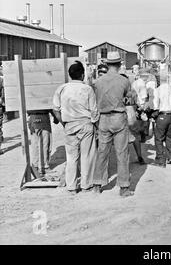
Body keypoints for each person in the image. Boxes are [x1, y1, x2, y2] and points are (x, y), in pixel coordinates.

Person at [53, 61, 99, 194]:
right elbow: (94, 111)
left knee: (71, 157)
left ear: (70, 75)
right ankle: (86, 185)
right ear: (83, 75)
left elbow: (56, 110)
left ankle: (72, 187)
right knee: (86, 156)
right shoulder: (87, 89)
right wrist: (96, 125)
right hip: (85, 125)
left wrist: (64, 123)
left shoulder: (62, 89)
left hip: (69, 125)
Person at [93, 51, 133, 197]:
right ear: (120, 64)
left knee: (102, 152)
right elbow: (129, 99)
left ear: (107, 64)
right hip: (118, 117)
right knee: (122, 153)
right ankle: (123, 187)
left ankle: (97, 184)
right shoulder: (124, 81)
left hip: (103, 119)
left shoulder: (98, 82)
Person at [152, 73, 171, 167]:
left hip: (162, 115)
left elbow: (155, 105)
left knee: (159, 138)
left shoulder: (158, 90)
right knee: (170, 137)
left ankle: (161, 159)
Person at [27, 110, 58, 175]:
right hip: (44, 118)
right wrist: (56, 117)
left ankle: (35, 166)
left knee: (35, 145)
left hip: (32, 118)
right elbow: (51, 106)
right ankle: (44, 167)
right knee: (45, 144)